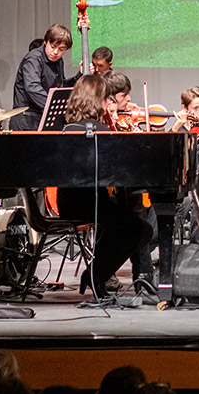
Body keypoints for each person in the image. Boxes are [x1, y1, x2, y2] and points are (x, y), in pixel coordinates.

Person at [53, 75, 154, 304]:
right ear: (97, 100)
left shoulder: (64, 128)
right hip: (85, 204)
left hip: (72, 201)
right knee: (139, 229)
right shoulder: (97, 131)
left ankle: (96, 273)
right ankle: (96, 273)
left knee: (129, 226)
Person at [11, 24, 76, 131]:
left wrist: (78, 76)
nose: (56, 52)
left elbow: (60, 86)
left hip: (42, 116)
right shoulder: (34, 58)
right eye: (53, 46)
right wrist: (53, 108)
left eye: (61, 49)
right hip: (26, 119)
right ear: (46, 42)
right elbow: (32, 87)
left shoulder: (58, 61)